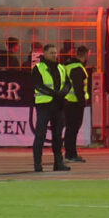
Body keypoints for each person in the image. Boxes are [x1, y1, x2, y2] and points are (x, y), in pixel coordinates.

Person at [31, 42, 71, 173]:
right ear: (45, 54)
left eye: (55, 53)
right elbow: (38, 85)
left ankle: (58, 163)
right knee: (40, 135)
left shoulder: (61, 67)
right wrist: (54, 93)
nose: (55, 55)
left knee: (58, 136)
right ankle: (38, 164)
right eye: (52, 53)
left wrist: (62, 93)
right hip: (44, 105)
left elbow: (68, 84)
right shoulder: (38, 68)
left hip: (58, 106)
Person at [62, 44, 90, 163]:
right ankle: (71, 154)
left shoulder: (68, 66)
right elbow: (78, 87)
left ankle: (69, 153)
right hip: (75, 102)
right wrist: (82, 102)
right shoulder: (77, 68)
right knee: (73, 129)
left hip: (67, 101)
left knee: (70, 129)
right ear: (86, 54)